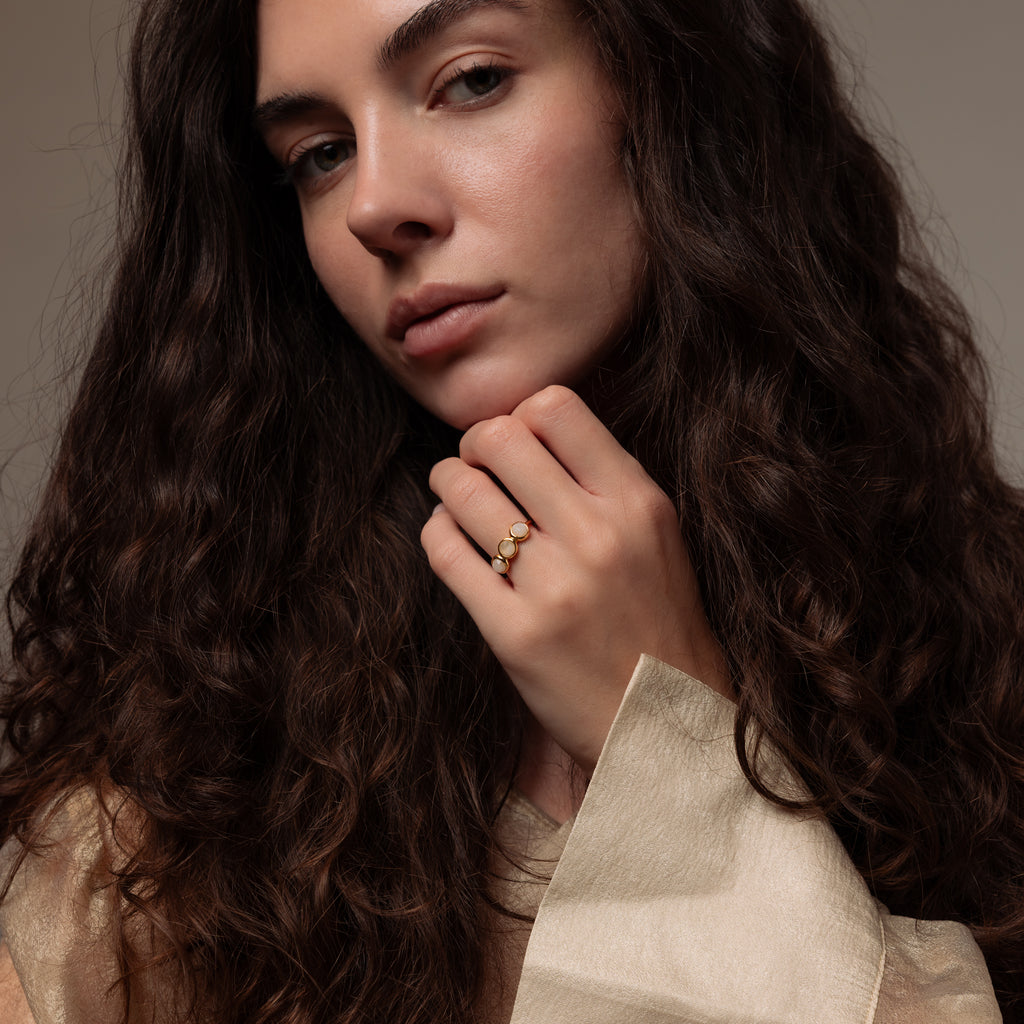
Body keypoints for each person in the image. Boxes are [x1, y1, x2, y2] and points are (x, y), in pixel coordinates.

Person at [1, 0, 1022, 1020]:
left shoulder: (994, 663)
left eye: (473, 80)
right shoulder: (180, 797)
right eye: (318, 153)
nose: (372, 203)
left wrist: (678, 765)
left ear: (665, 84)